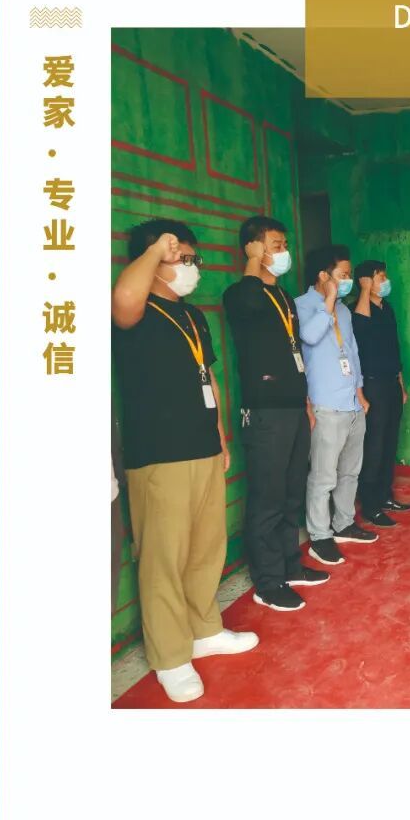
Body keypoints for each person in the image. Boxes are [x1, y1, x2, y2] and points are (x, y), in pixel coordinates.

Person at [111, 218, 258, 703]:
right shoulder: (135, 311)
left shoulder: (193, 316)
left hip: (202, 447)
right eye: (182, 258)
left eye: (194, 258)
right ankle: (171, 657)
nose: (193, 267)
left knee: (204, 549)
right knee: (163, 558)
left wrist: (220, 437)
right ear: (152, 261)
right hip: (159, 454)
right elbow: (124, 298)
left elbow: (206, 376)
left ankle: (204, 630)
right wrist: (158, 249)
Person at [223, 213, 330, 615]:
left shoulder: (284, 297)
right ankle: (268, 583)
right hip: (265, 411)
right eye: (275, 245)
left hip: (294, 406)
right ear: (252, 248)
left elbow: (294, 352)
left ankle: (289, 565)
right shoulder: (240, 294)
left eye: (285, 245)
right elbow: (250, 301)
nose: (284, 252)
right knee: (267, 497)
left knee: (290, 492)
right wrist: (254, 263)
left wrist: (306, 402)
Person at [295, 246, 379, 566]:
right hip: (325, 403)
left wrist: (360, 393)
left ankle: (343, 523)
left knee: (350, 471)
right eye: (343, 275)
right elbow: (310, 337)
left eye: (348, 274)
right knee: (323, 476)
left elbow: (352, 352)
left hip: (352, 402)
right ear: (323, 275)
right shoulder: (301, 306)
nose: (348, 280)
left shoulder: (344, 310)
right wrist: (328, 301)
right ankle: (320, 536)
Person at [352, 259, 410, 526]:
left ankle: (385, 495)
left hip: (391, 383)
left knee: (389, 442)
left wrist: (401, 384)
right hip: (372, 384)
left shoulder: (387, 309)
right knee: (374, 445)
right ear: (366, 281)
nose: (386, 282)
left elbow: (394, 348)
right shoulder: (357, 309)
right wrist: (365, 290)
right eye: (381, 277)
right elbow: (360, 327)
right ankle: (370, 505)